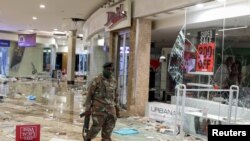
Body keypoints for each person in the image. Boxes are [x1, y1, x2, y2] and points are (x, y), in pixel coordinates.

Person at [84, 62, 120, 141]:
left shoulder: (114, 81)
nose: (110, 71)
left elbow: (116, 96)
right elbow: (89, 96)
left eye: (112, 70)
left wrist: (117, 109)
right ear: (104, 69)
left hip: (111, 110)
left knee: (108, 131)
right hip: (99, 110)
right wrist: (87, 109)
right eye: (108, 69)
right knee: (96, 128)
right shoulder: (97, 80)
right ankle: (87, 138)